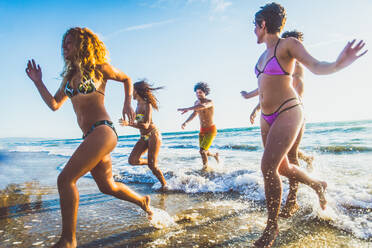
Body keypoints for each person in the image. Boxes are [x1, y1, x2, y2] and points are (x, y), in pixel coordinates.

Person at [250, 3, 367, 247]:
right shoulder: (261, 57)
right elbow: (263, 88)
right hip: (267, 118)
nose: (254, 30)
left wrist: (338, 63)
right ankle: (317, 184)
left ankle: (271, 228)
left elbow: (317, 66)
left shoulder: (287, 45)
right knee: (281, 168)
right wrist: (253, 103)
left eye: (255, 25)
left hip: (288, 111)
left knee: (268, 168)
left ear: (263, 24)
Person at [25, 27, 153, 248]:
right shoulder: (69, 79)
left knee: (65, 180)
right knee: (107, 186)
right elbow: (55, 104)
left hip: (103, 130)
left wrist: (127, 103)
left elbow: (126, 78)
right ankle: (142, 200)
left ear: (82, 45)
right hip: (90, 136)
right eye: (63, 44)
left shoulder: (98, 68)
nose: (64, 47)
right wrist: (38, 82)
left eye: (70, 43)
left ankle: (68, 241)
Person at [242, 30, 314, 218]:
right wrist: (257, 107)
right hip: (278, 114)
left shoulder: (297, 66)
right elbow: (269, 88)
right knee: (283, 157)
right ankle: (307, 159)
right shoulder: (280, 61)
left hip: (293, 113)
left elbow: (291, 92)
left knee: (289, 155)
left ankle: (292, 199)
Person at [119, 80, 167, 191]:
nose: (131, 94)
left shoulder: (147, 104)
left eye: (132, 91)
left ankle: (165, 185)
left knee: (153, 166)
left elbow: (145, 125)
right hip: (144, 137)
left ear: (137, 91)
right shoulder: (136, 105)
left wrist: (129, 124)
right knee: (132, 160)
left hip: (153, 134)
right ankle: (150, 161)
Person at [177, 82, 219, 171]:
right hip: (202, 130)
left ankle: (205, 169)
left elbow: (202, 106)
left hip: (211, 130)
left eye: (200, 92)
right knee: (203, 151)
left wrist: (187, 108)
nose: (198, 94)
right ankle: (215, 155)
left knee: (202, 151)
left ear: (205, 92)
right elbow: (194, 113)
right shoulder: (196, 103)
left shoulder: (209, 102)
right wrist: (186, 122)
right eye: (196, 92)